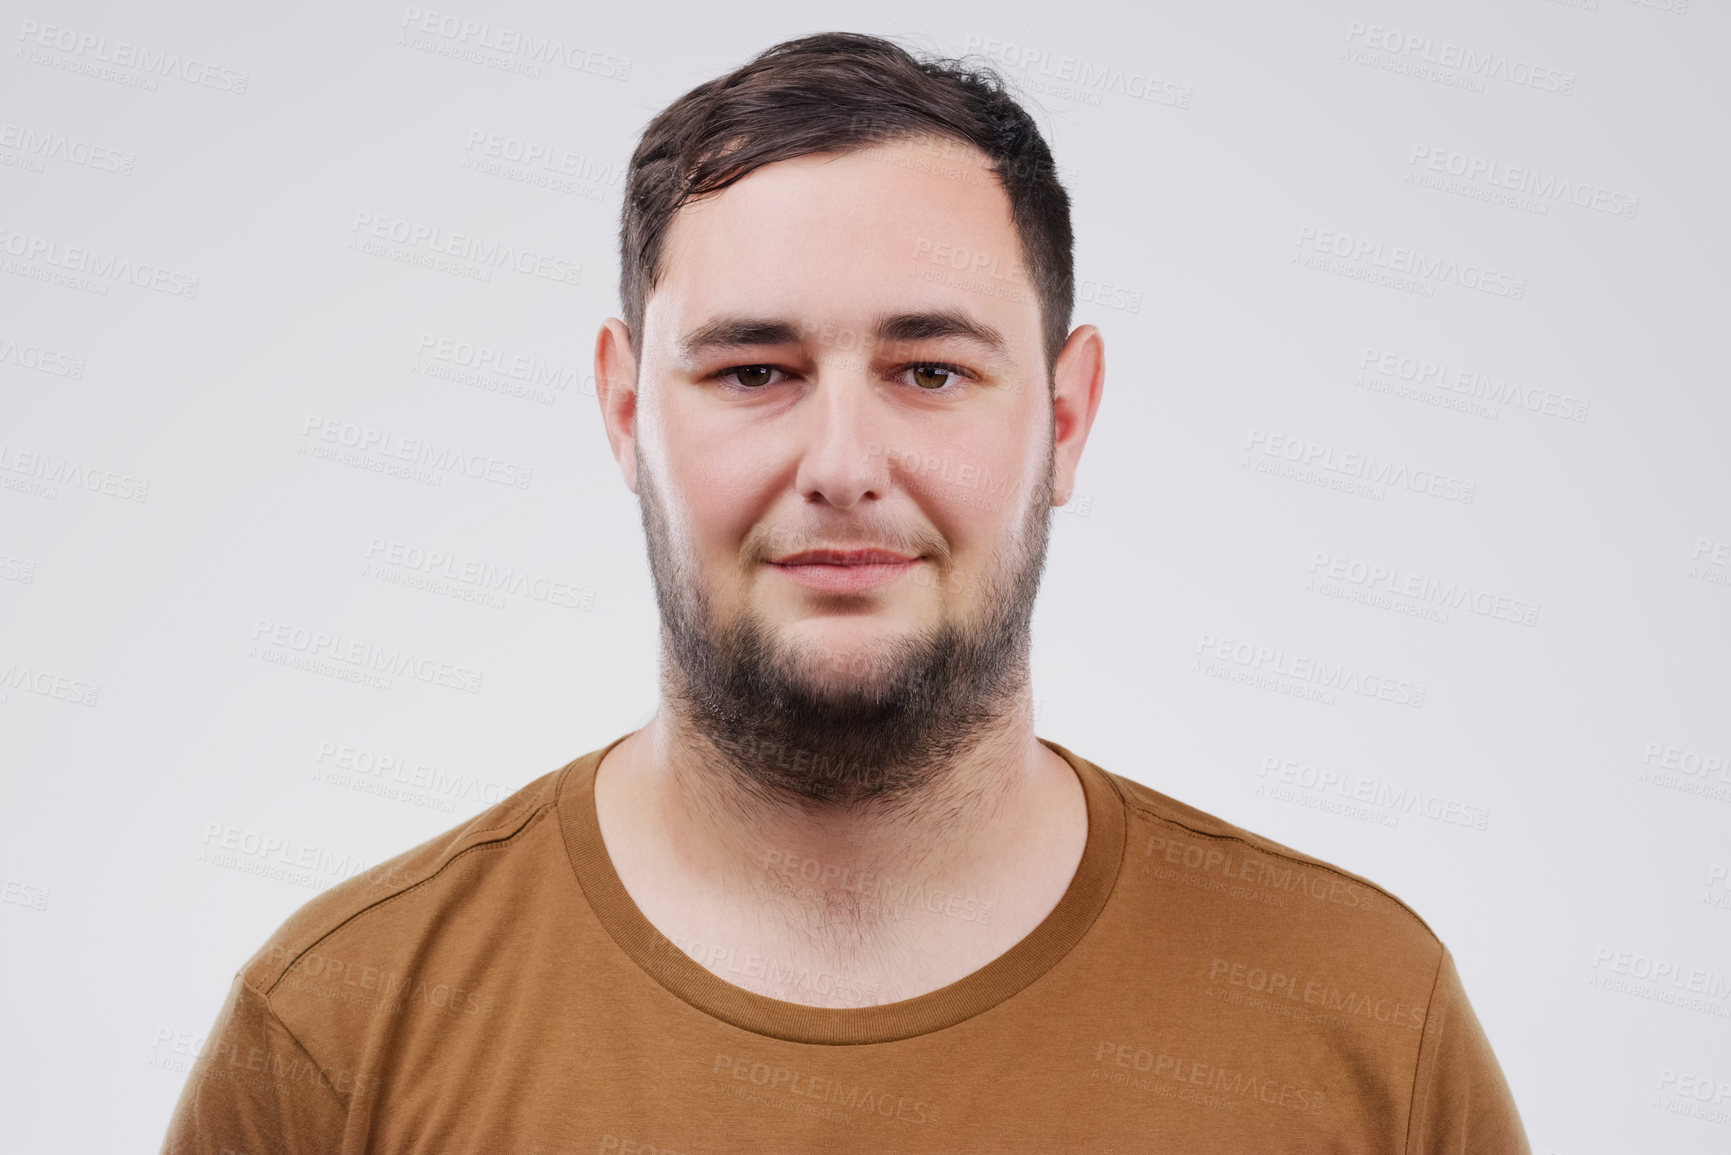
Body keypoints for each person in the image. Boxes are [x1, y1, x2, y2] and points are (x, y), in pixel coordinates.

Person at [162, 31, 1530, 1153]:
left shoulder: (1360, 1020)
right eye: (754, 371)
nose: (842, 465)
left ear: (1066, 415)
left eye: (928, 369)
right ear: (626, 408)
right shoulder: (340, 1039)